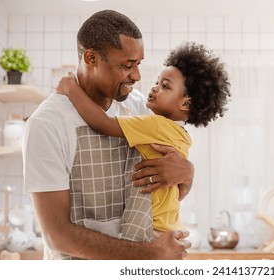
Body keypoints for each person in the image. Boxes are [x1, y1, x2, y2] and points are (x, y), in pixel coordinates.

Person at [22, 10, 193, 260]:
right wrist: (149, 254)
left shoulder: (136, 105)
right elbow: (56, 235)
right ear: (91, 58)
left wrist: (187, 172)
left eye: (138, 64)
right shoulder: (47, 124)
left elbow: (169, 189)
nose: (136, 76)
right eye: (127, 65)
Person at [56, 41, 231, 239]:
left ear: (186, 102)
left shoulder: (155, 125)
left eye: (165, 86)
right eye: (157, 82)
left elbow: (102, 123)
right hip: (167, 223)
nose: (155, 88)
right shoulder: (182, 135)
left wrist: (71, 88)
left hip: (150, 223)